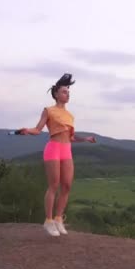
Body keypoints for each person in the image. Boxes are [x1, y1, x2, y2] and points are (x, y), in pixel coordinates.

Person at [18, 74, 96, 236]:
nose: (67, 94)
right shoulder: (49, 111)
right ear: (56, 94)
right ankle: (48, 221)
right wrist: (27, 130)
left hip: (66, 150)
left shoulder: (70, 115)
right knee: (54, 185)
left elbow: (71, 137)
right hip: (53, 148)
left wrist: (86, 139)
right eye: (64, 91)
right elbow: (38, 130)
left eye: (68, 91)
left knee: (66, 186)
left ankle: (59, 218)